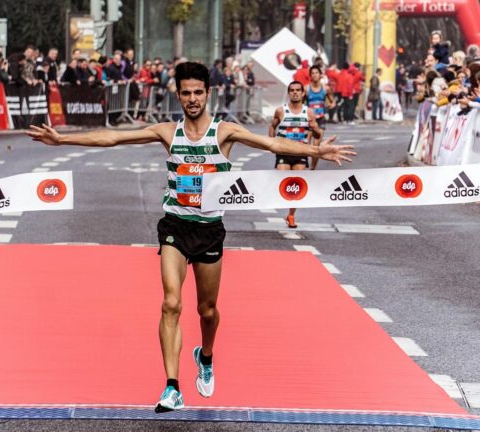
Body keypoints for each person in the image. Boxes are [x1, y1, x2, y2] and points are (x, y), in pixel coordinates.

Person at [26, 62, 355, 413]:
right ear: (178, 94)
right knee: (171, 303)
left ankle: (206, 356)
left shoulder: (225, 132)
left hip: (209, 230)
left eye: (199, 92)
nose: (193, 99)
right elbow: (114, 137)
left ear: (208, 93)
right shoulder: (168, 132)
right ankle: (172, 387)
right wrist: (63, 139)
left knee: (207, 310)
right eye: (186, 92)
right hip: (175, 227)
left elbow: (270, 141)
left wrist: (315, 151)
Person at [269, 80, 325, 228]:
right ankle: (285, 208)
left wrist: (315, 129)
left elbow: (318, 135)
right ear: (288, 93)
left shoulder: (309, 112)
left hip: (301, 152)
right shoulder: (281, 111)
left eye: (297, 90)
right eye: (292, 90)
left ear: (303, 93)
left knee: (295, 185)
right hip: (283, 151)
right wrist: (271, 144)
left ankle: (291, 215)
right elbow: (272, 126)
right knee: (283, 181)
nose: (295, 92)